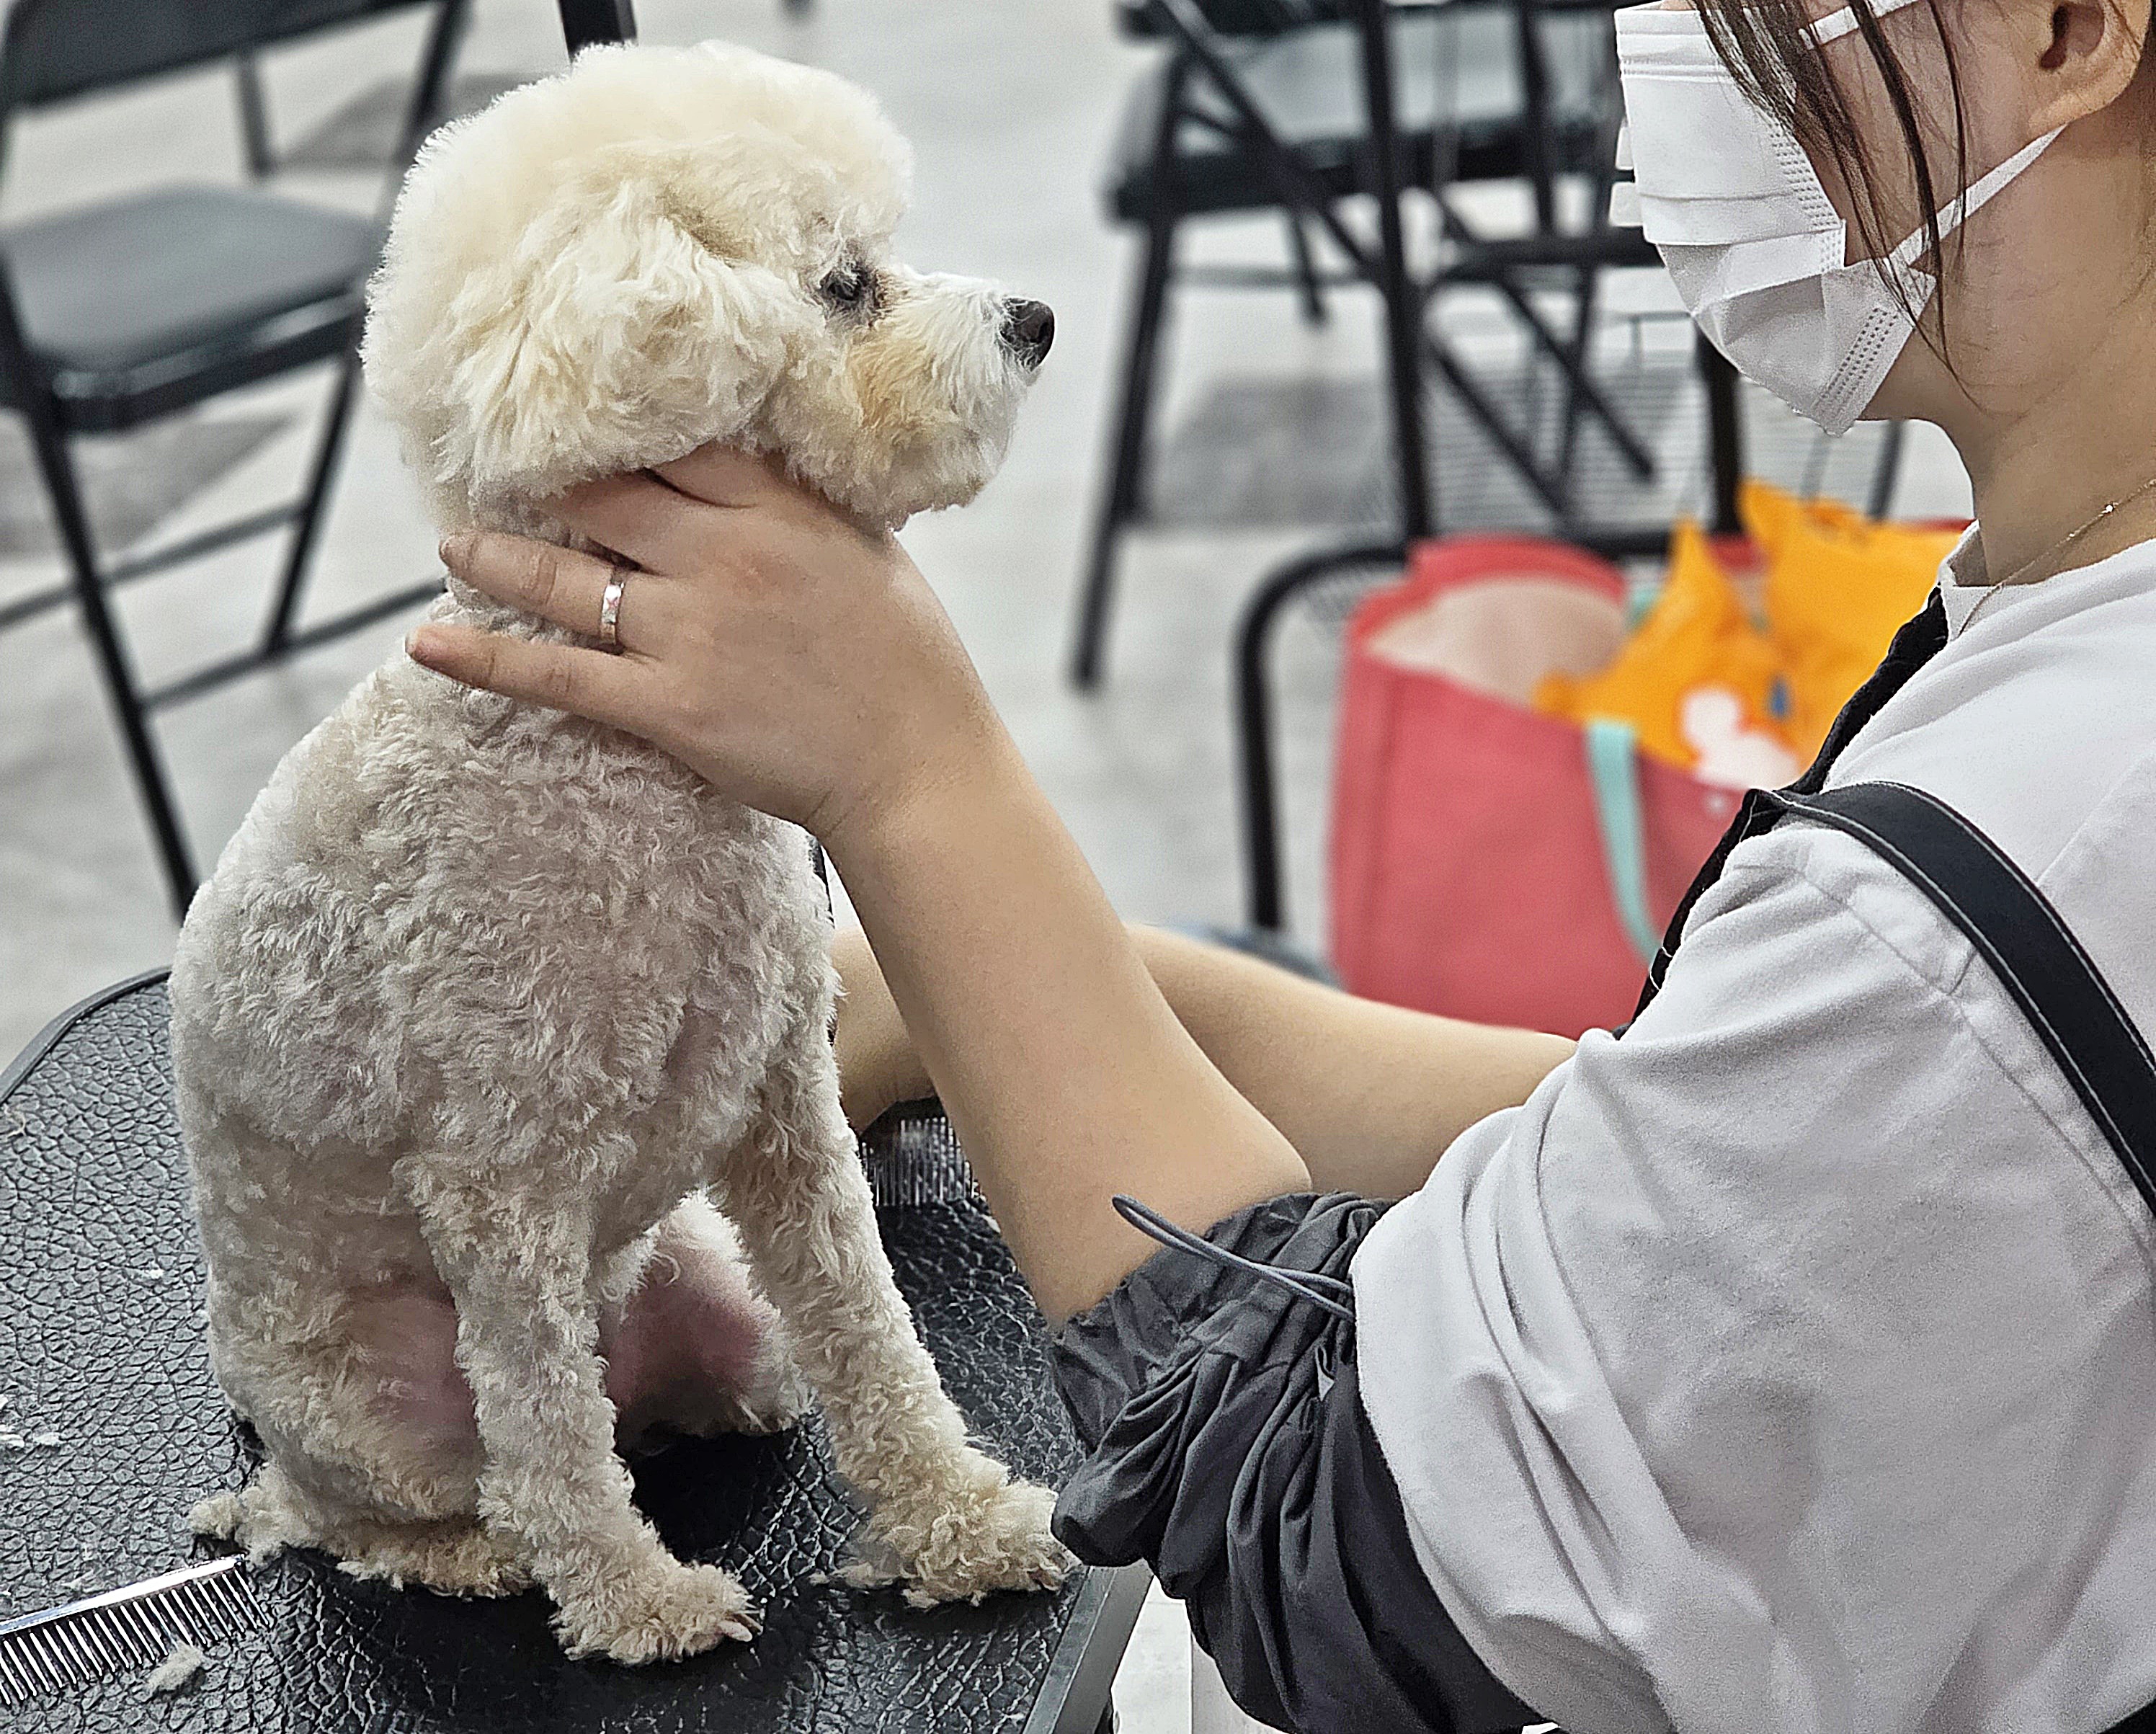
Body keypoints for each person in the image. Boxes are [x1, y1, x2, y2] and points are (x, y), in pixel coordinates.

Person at [403, 0, 2156, 1718]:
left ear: (2073, 30)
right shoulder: (2069, 616)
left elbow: (1328, 1532)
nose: (1661, 60)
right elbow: (1755, 1146)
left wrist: (917, 787)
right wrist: (1060, 997)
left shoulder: (2021, 844)